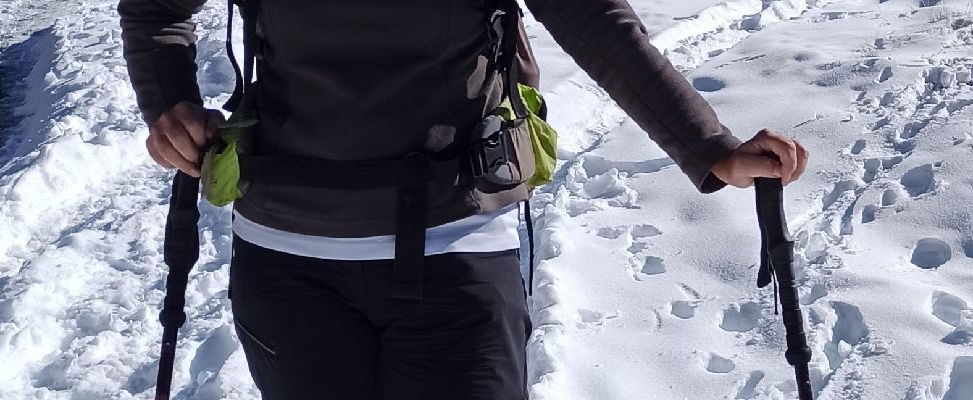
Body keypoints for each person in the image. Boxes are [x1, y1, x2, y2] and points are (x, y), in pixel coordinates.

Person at [117, 0, 809, 398]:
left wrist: (708, 146)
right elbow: (155, 8)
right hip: (289, 259)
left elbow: (591, 18)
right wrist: (170, 104)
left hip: (455, 249)